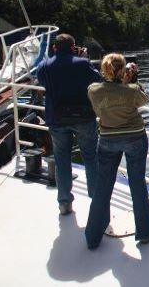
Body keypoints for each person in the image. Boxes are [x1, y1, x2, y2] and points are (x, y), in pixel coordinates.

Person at [85, 53, 149, 249]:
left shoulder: (93, 90)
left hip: (107, 140)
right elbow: (144, 99)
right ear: (123, 71)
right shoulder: (131, 90)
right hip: (134, 138)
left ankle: (93, 235)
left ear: (104, 70)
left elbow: (107, 94)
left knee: (103, 186)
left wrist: (121, 81)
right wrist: (132, 80)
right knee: (137, 183)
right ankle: (146, 231)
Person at [36, 33, 101, 216]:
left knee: (62, 160)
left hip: (57, 120)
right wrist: (83, 59)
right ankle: (96, 201)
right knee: (90, 158)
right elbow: (97, 80)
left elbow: (41, 81)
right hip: (83, 118)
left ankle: (64, 203)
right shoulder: (82, 64)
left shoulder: (45, 66)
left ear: (54, 48)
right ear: (73, 47)